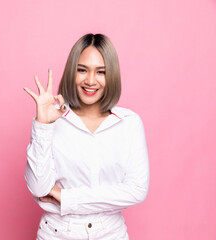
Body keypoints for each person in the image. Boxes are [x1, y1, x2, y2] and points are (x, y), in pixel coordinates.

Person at [23, 33, 149, 240]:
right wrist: (42, 125)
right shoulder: (52, 120)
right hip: (57, 233)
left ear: (112, 76)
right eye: (82, 70)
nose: (90, 81)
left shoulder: (129, 123)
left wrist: (68, 198)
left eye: (101, 72)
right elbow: (38, 188)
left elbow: (136, 190)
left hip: (111, 234)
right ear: (72, 71)